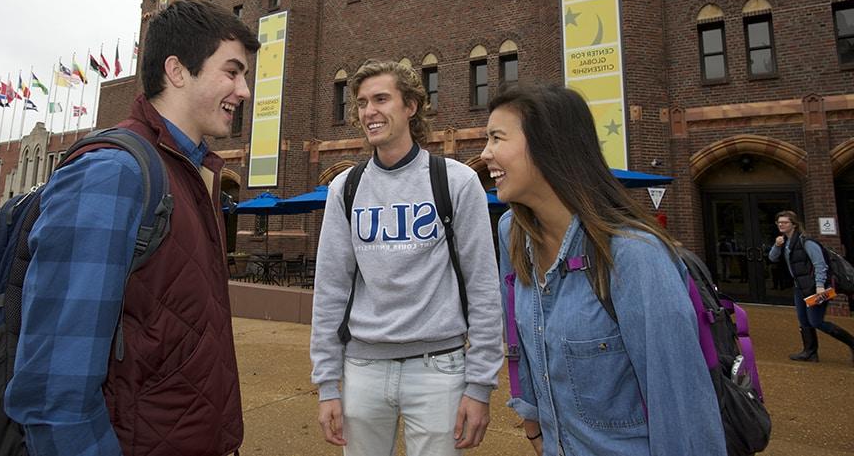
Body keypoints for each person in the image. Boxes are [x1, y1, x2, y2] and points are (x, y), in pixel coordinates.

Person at [5, 0, 260, 456]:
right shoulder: (113, 173)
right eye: (232, 71)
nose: (243, 90)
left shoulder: (189, 172)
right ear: (178, 71)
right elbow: (54, 390)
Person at [482, 83, 726, 456]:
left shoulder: (635, 256)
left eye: (497, 138)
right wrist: (534, 424)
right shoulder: (512, 235)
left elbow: (683, 409)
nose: (485, 154)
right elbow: (522, 348)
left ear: (549, 144)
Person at [310, 60, 503, 455]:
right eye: (362, 103)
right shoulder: (344, 189)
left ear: (411, 106)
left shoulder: (457, 181)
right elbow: (330, 288)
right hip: (362, 367)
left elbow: (483, 285)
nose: (369, 111)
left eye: (381, 99)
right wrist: (327, 383)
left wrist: (480, 384)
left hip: (439, 368)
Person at [768, 210, 854, 364]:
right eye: (779, 222)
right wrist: (776, 245)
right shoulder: (785, 243)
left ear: (793, 224)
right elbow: (772, 258)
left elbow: (820, 265)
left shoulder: (807, 242)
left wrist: (820, 286)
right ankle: (810, 352)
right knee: (804, 321)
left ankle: (852, 343)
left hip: (815, 288)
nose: (781, 225)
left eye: (785, 222)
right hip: (800, 288)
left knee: (816, 321)